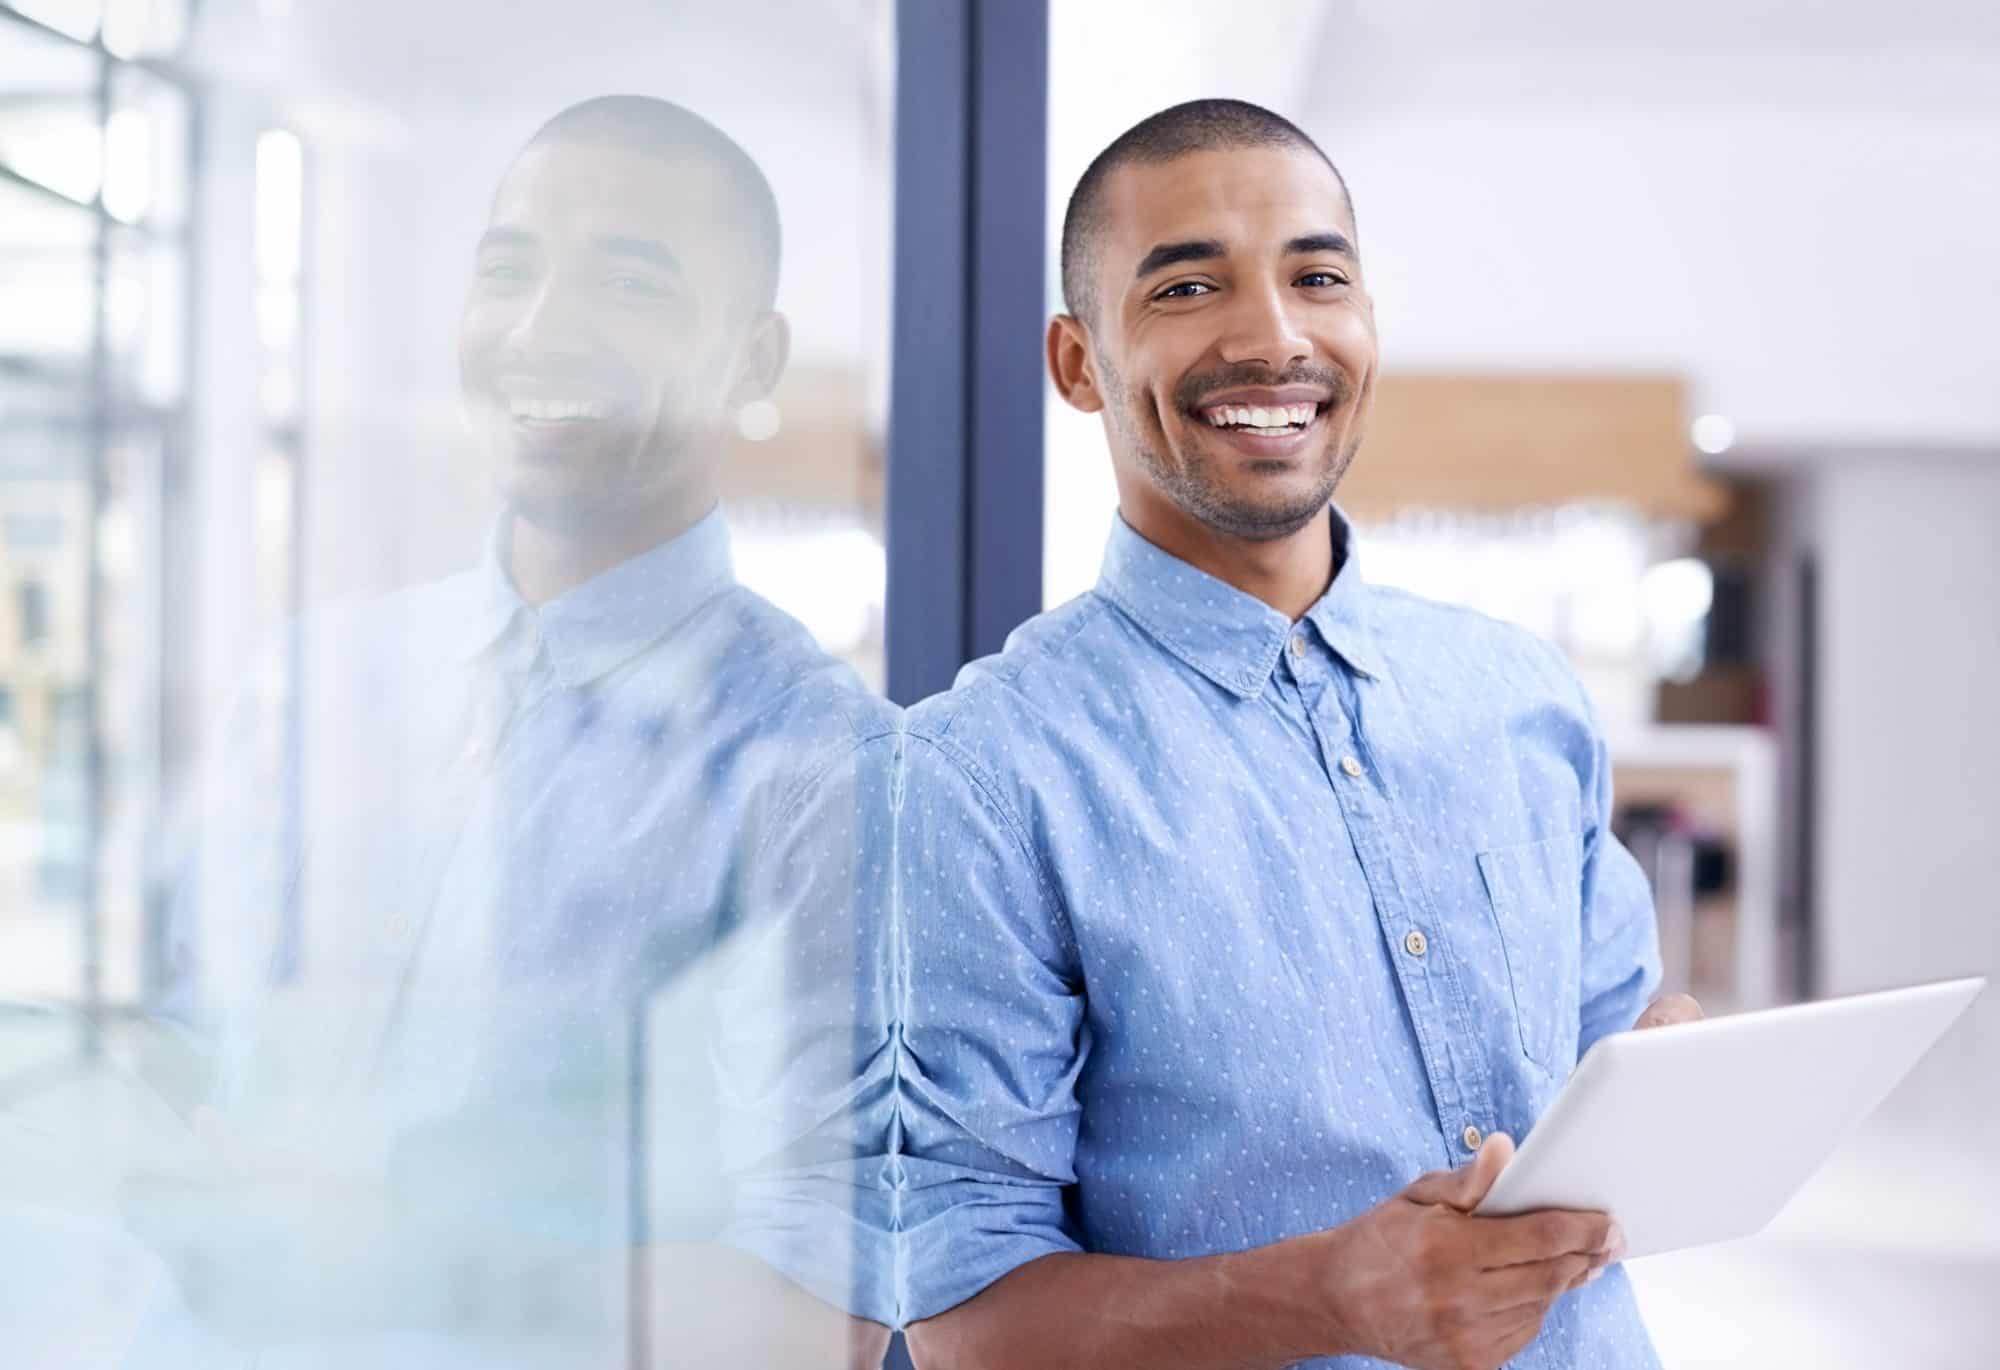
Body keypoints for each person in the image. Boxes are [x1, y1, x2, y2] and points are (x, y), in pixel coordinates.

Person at [892, 98, 1701, 1370]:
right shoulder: (981, 779)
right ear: (1075, 362)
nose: (1272, 337)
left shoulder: (1518, 697)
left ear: (1365, 324)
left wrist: (1664, 1092)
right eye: (1185, 287)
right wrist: (1330, 1296)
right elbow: (961, 1321)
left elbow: (1611, 1059)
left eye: (1316, 276)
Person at [130, 96, 896, 1368]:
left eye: (630, 282)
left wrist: (398, 1260)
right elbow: (174, 1054)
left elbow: (822, 1307)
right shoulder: (317, 678)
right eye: (507, 268)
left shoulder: (822, 764)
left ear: (752, 361)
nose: (541, 330)